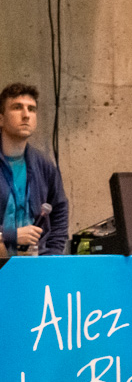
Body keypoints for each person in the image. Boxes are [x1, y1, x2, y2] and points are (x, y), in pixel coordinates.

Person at [0, 82, 68, 256]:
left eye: (32, 109)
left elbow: (59, 209)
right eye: (17, 108)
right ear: (1, 118)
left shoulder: (44, 164)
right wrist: (12, 235)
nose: (26, 115)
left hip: (36, 264)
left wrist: (52, 255)